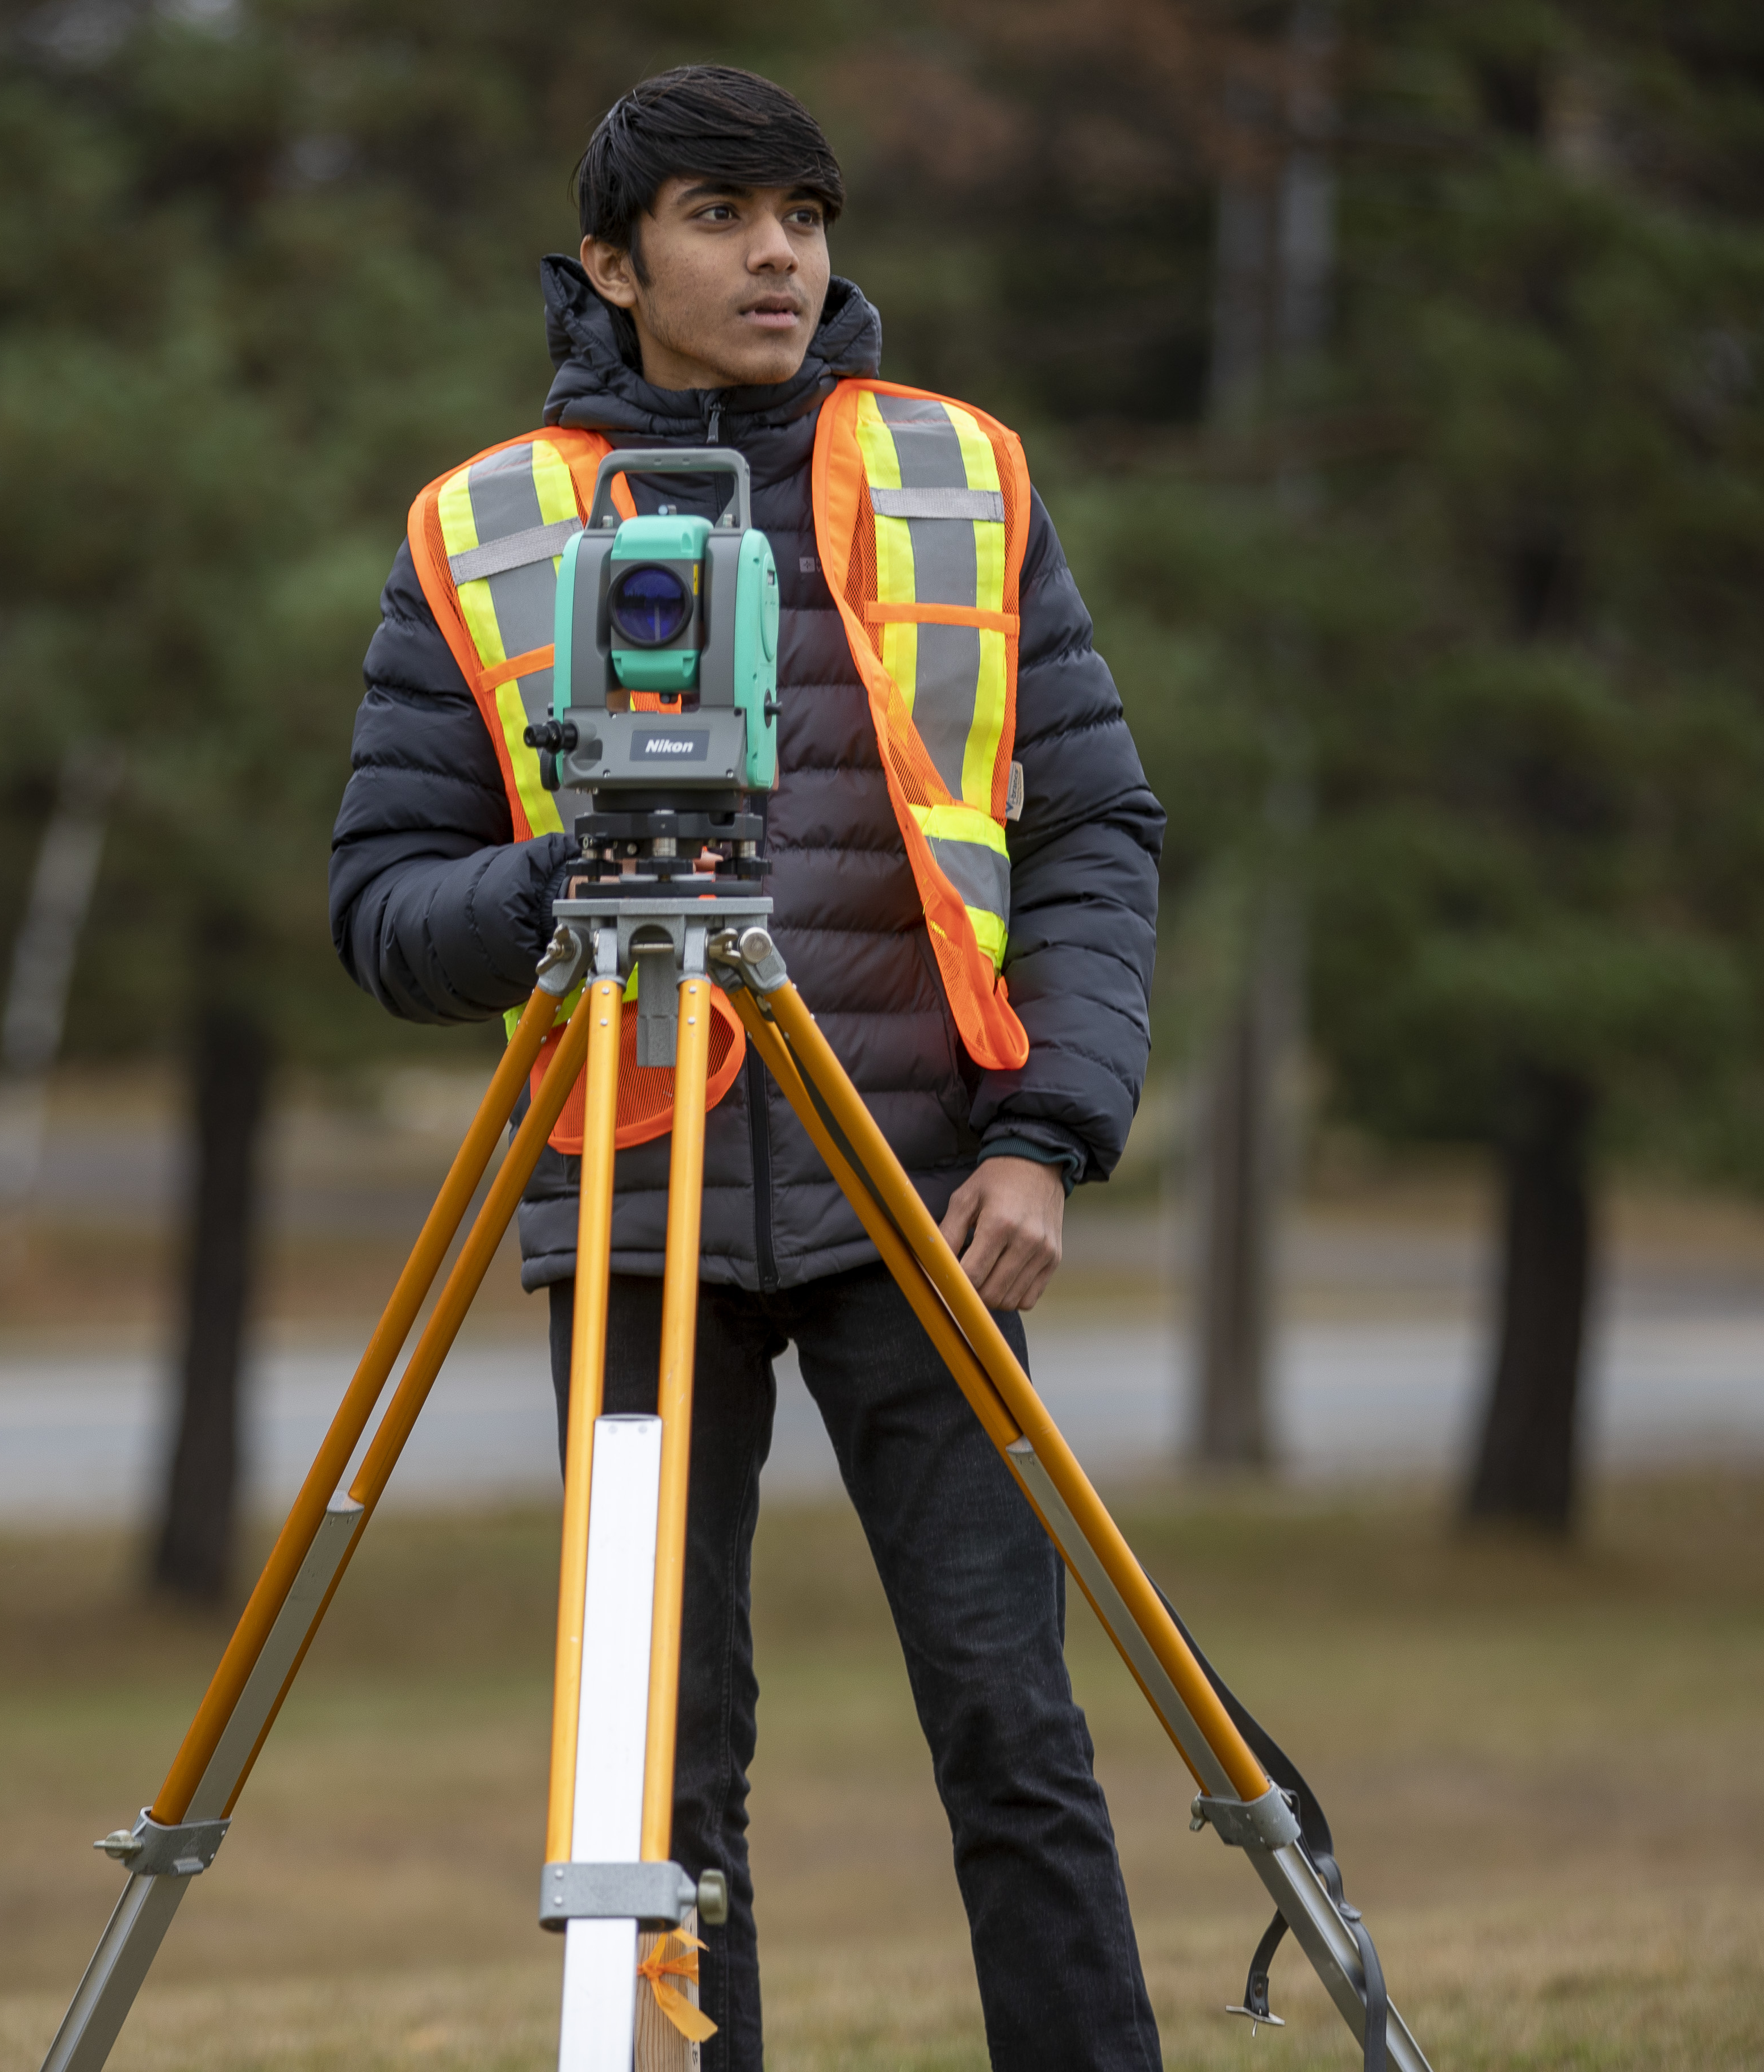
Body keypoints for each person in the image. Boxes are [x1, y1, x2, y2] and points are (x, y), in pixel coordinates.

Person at [329, 64, 1165, 2072]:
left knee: (1015, 1731)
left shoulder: (960, 475)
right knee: (659, 1780)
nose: (779, 250)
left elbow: (1095, 830)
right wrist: (559, 879)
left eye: (804, 211)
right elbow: (382, 915)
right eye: (718, 215)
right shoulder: (488, 525)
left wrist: (1052, 1132)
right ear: (611, 264)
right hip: (634, 1198)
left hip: (925, 1194)